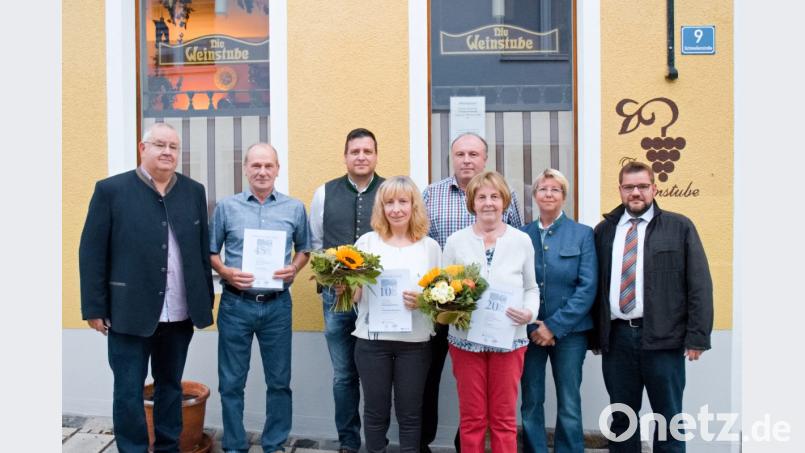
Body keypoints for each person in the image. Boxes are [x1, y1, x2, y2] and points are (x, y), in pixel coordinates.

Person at [79, 122, 214, 453]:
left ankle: (169, 448)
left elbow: (200, 248)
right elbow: (92, 251)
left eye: (173, 147)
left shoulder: (193, 191)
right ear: (143, 148)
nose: (167, 152)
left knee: (170, 387)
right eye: (160, 145)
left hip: (179, 314)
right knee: (128, 391)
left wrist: (204, 300)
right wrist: (94, 307)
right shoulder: (111, 190)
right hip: (128, 313)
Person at [591, 161, 713, 452]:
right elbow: (595, 286)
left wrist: (697, 336)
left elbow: (699, 284)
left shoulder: (679, 226)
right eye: (629, 187)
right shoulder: (604, 231)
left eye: (643, 186)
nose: (636, 192)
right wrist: (596, 335)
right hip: (618, 339)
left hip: (664, 339)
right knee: (622, 420)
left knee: (668, 420)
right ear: (620, 190)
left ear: (654, 189)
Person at [421, 132, 522, 452]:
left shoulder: (506, 195)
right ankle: (423, 442)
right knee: (430, 380)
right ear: (452, 158)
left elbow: (517, 243)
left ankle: (465, 445)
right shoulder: (431, 195)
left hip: (496, 319)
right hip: (445, 310)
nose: (467, 159)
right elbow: (422, 247)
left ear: (484, 159)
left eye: (474, 154)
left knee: (490, 403)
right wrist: (438, 298)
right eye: (460, 154)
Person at [209, 143, 311, 453]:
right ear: (245, 168)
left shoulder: (294, 208)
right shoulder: (227, 207)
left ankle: (274, 444)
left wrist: (293, 268)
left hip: (277, 306)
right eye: (256, 165)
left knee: (279, 382)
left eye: (268, 166)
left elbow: (305, 249)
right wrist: (226, 273)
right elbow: (211, 252)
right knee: (231, 383)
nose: (262, 171)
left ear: (278, 169)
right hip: (235, 304)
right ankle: (235, 446)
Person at [442, 171, 540, 453]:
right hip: (466, 341)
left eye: (494, 196)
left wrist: (529, 312)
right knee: (472, 418)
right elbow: (444, 288)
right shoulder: (456, 241)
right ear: (472, 202)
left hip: (509, 341)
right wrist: (450, 306)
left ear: (505, 202)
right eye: (481, 197)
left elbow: (532, 288)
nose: (488, 203)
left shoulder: (521, 240)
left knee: (504, 419)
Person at [351, 176, 441, 453]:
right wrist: (348, 285)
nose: (396, 209)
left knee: (411, 414)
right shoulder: (366, 243)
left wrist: (423, 300)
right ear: (381, 207)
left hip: (415, 344)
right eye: (389, 202)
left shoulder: (430, 247)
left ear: (414, 205)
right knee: (376, 413)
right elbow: (354, 297)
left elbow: (440, 301)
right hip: (372, 341)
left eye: (403, 201)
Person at [309, 128, 385, 453]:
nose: (361, 157)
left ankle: (377, 442)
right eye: (355, 151)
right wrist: (330, 278)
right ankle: (348, 443)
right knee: (343, 375)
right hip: (336, 298)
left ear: (375, 155)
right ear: (345, 156)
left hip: (378, 299)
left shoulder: (388, 191)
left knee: (378, 374)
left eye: (367, 151)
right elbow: (315, 243)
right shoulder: (324, 193)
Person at [519, 169, 597, 453]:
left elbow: (587, 288)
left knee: (569, 400)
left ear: (564, 196)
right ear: (535, 196)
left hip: (571, 333)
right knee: (531, 399)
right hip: (529, 331)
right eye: (542, 189)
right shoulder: (521, 235)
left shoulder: (582, 235)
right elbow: (516, 283)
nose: (548, 194)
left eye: (555, 189)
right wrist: (534, 325)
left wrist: (553, 326)